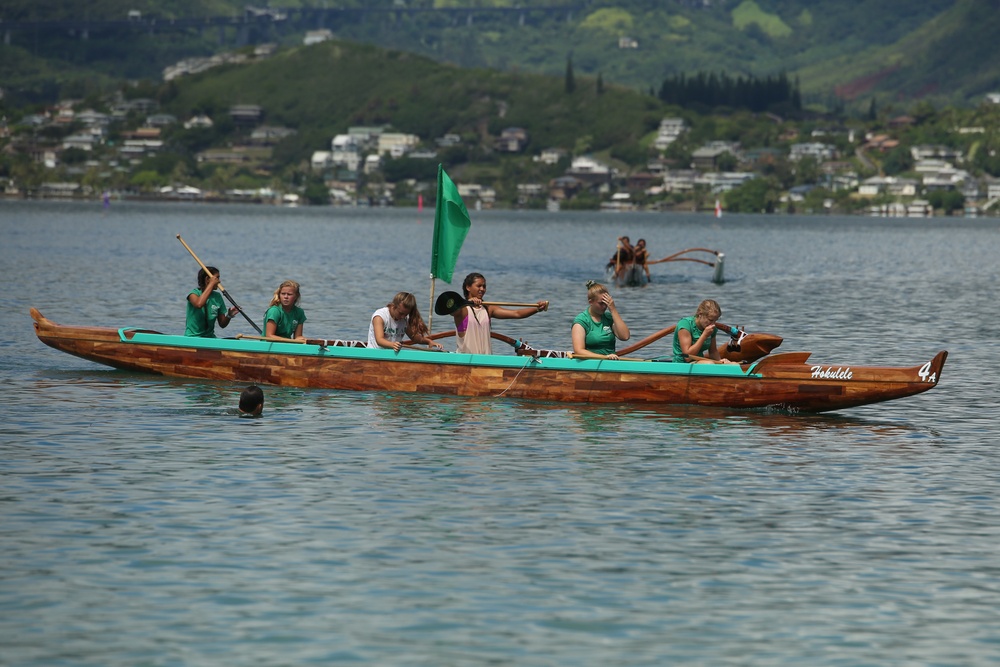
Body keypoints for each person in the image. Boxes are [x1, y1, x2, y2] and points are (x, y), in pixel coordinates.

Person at [451, 272, 549, 355]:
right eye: (479, 286)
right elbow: (450, 308)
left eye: (484, 286)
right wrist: (469, 302)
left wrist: (537, 308)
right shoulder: (462, 310)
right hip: (464, 361)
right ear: (468, 287)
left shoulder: (488, 309)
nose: (482, 289)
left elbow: (517, 313)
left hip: (485, 361)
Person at [571, 280, 631, 360]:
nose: (604, 306)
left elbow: (625, 336)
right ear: (591, 302)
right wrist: (604, 357)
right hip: (589, 364)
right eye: (601, 303)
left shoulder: (609, 318)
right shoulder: (581, 321)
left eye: (606, 302)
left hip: (611, 362)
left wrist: (613, 310)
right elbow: (579, 351)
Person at [368, 291, 444, 352]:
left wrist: (429, 341)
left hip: (392, 356)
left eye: (406, 314)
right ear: (393, 306)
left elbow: (415, 338)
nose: (403, 317)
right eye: (401, 313)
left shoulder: (404, 320)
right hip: (374, 354)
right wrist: (393, 344)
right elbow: (379, 340)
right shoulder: (380, 316)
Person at [185, 266, 241, 338]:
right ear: (208, 279)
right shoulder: (193, 294)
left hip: (210, 338)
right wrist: (211, 284)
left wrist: (229, 315)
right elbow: (199, 304)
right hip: (192, 337)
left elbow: (222, 324)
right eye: (217, 278)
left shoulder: (217, 297)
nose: (219, 281)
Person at [671, 299, 733, 363]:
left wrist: (721, 361)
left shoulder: (712, 328)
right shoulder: (685, 324)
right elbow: (687, 357)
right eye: (710, 320)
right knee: (709, 364)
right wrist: (704, 335)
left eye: (715, 320)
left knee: (733, 365)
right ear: (700, 314)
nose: (713, 324)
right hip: (682, 364)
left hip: (699, 362)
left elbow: (713, 352)